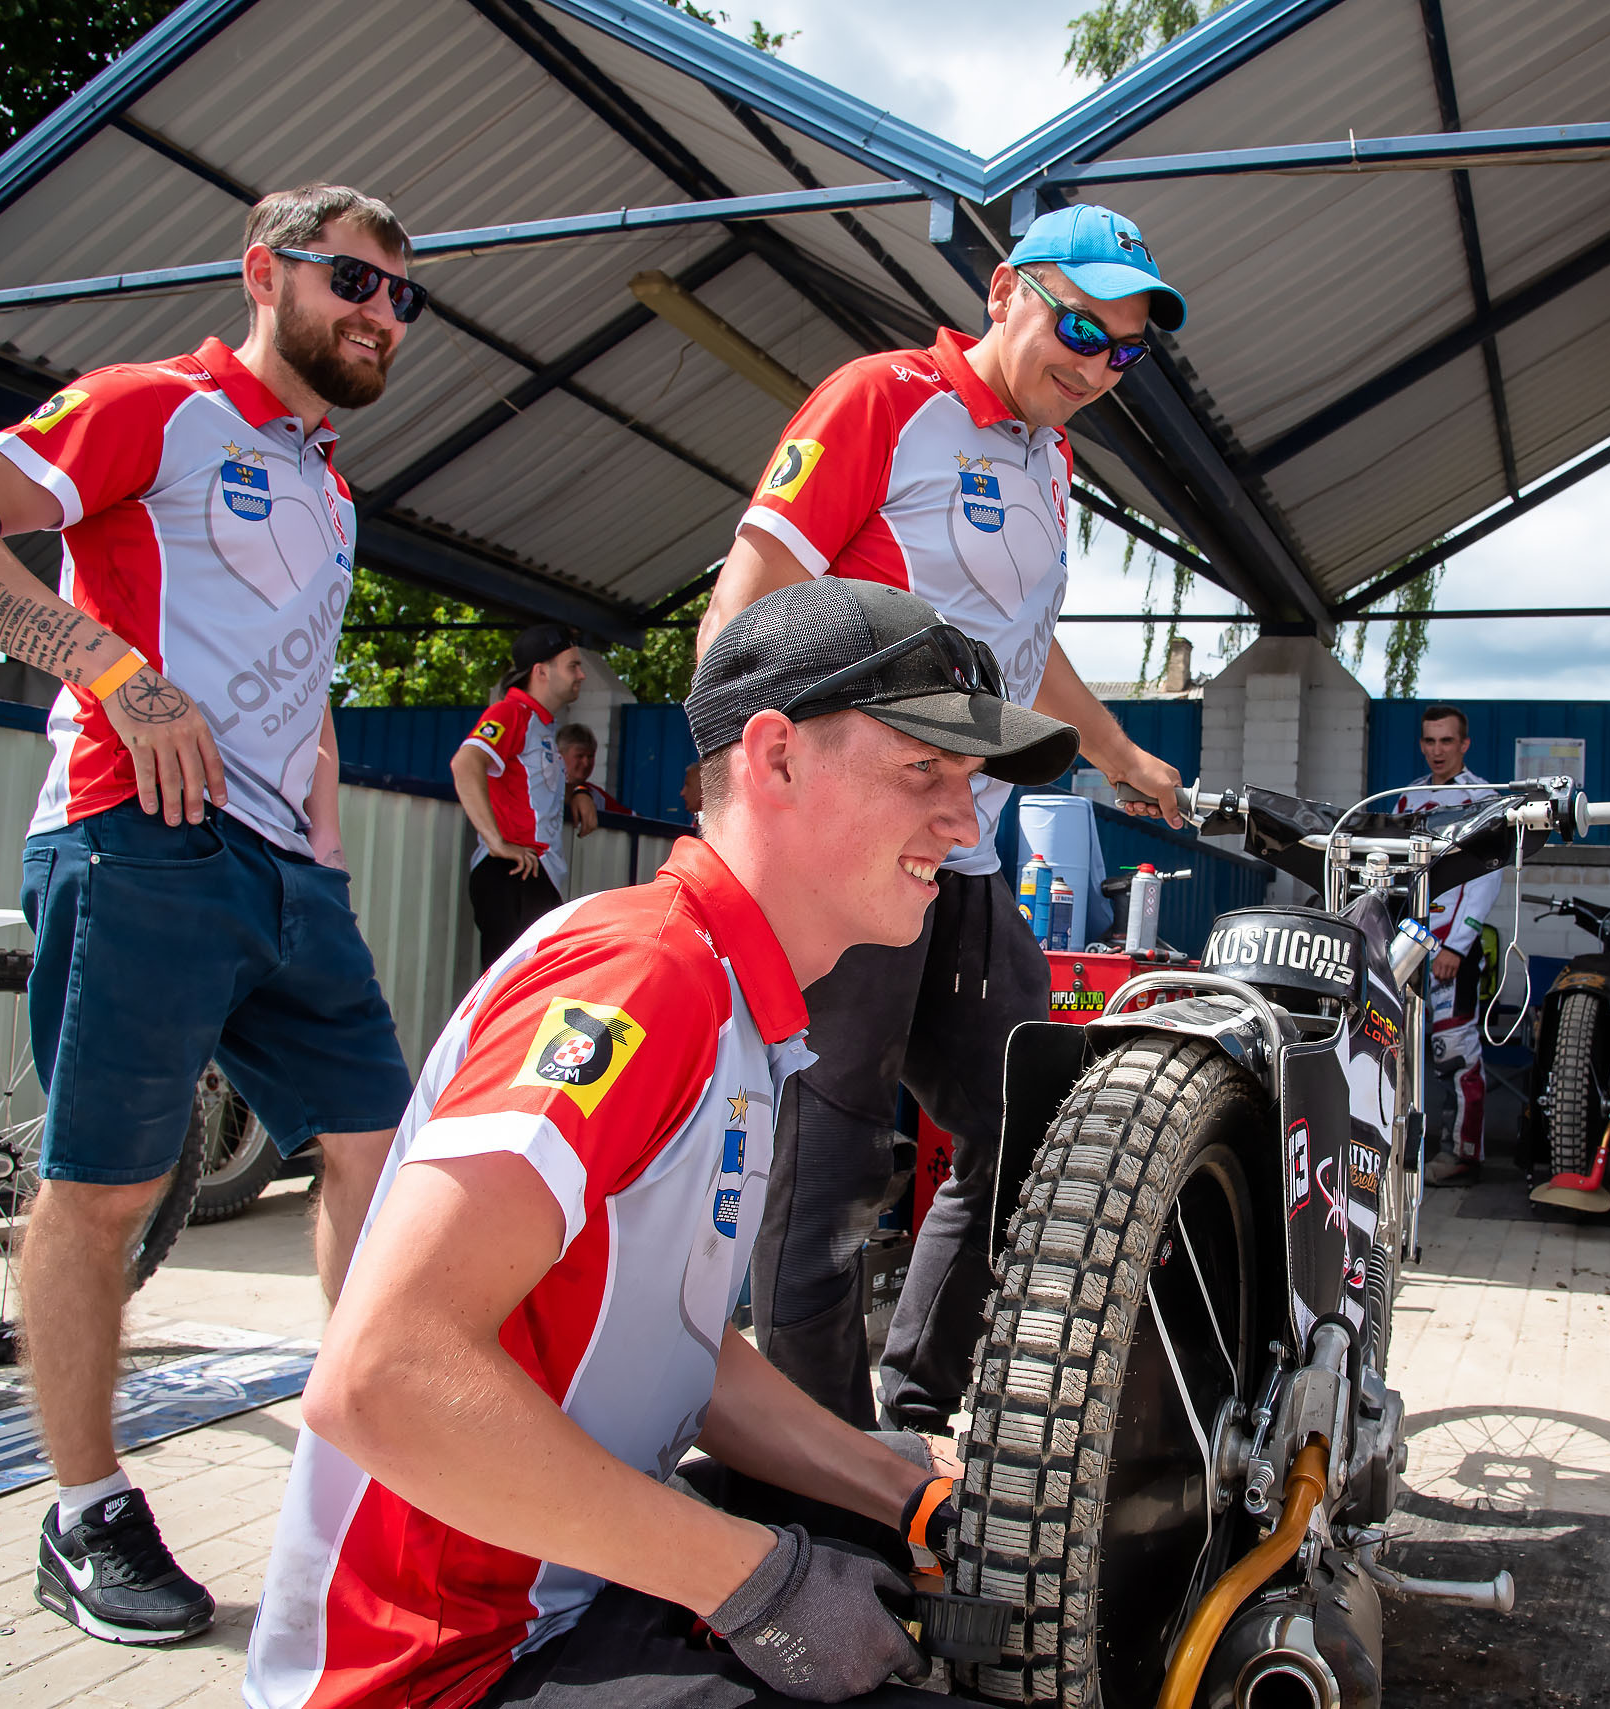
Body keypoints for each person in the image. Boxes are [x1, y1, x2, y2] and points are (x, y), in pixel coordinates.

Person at [242, 575, 1079, 1709]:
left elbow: (681, 1350)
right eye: (923, 769)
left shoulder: (744, 1002)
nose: (963, 821)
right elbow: (382, 1376)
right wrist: (755, 1578)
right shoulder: (644, 979)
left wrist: (902, 1487)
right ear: (775, 757)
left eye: (970, 783)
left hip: (561, 1598)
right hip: (441, 1665)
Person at [0, 183, 423, 1644]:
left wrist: (325, 839)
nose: (379, 316)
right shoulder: (150, 407)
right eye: (353, 283)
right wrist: (114, 669)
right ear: (265, 273)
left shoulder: (331, 482)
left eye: (398, 299)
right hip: (137, 839)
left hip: (286, 877)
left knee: (382, 1147)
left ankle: (375, 1442)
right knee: (105, 1190)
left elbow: (294, 678)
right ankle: (83, 1509)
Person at [696, 203, 1192, 1430]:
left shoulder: (1049, 459)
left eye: (1123, 351)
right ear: (1005, 290)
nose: (1094, 365)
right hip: (845, 856)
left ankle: (913, 1412)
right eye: (1080, 326)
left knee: (1032, 1123)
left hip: (958, 852)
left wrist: (1118, 748)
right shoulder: (883, 400)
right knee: (826, 1180)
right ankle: (805, 1481)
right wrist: (740, 829)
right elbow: (742, 615)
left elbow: (1026, 648)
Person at [1394, 705, 1501, 1188]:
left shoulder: (1485, 799)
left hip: (1452, 951)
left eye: (1446, 741)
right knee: (1394, 1050)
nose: (1437, 750)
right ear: (1421, 744)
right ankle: (1397, 1151)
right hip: (1405, 946)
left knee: (1454, 1052)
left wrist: (1457, 945)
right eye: (1429, 741)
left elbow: (1487, 878)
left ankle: (1462, 1154)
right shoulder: (1405, 799)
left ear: (1464, 744)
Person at [454, 623, 584, 968]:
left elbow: (533, 789)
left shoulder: (539, 723)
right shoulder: (510, 713)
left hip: (533, 873)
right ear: (541, 671)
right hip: (512, 871)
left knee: (527, 991)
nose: (582, 675)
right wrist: (495, 842)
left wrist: (579, 792)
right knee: (510, 996)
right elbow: (465, 763)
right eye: (573, 665)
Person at [556, 720, 627, 831]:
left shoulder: (596, 795)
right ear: (559, 755)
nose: (586, 763)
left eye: (590, 756)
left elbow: (636, 821)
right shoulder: (543, 788)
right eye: (579, 756)